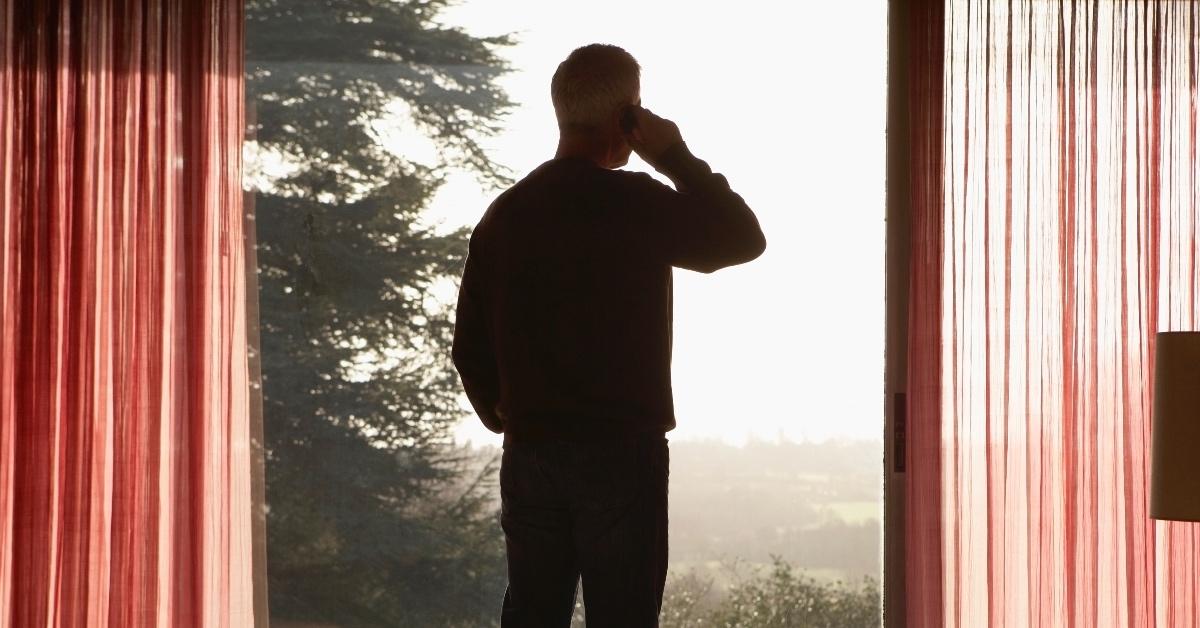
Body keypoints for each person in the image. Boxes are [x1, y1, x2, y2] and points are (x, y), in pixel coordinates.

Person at [452, 43, 766, 627]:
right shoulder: (638, 205)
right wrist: (674, 156)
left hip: (531, 453)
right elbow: (743, 238)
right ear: (628, 118)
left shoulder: (507, 215)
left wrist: (505, 416)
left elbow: (468, 344)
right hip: (622, 452)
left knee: (532, 613)